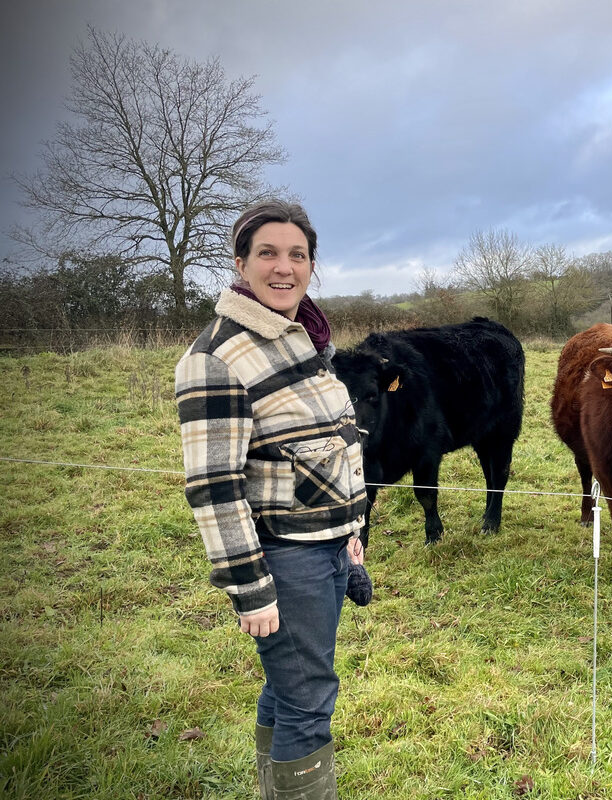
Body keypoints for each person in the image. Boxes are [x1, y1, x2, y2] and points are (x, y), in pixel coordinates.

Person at [175, 200, 371, 798]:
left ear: (312, 265)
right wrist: (251, 590)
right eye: (267, 253)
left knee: (286, 689)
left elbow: (325, 445)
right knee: (309, 701)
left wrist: (351, 532)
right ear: (240, 263)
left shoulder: (301, 338)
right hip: (287, 561)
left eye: (298, 255)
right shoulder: (216, 357)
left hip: (327, 548)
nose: (283, 267)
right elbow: (214, 488)